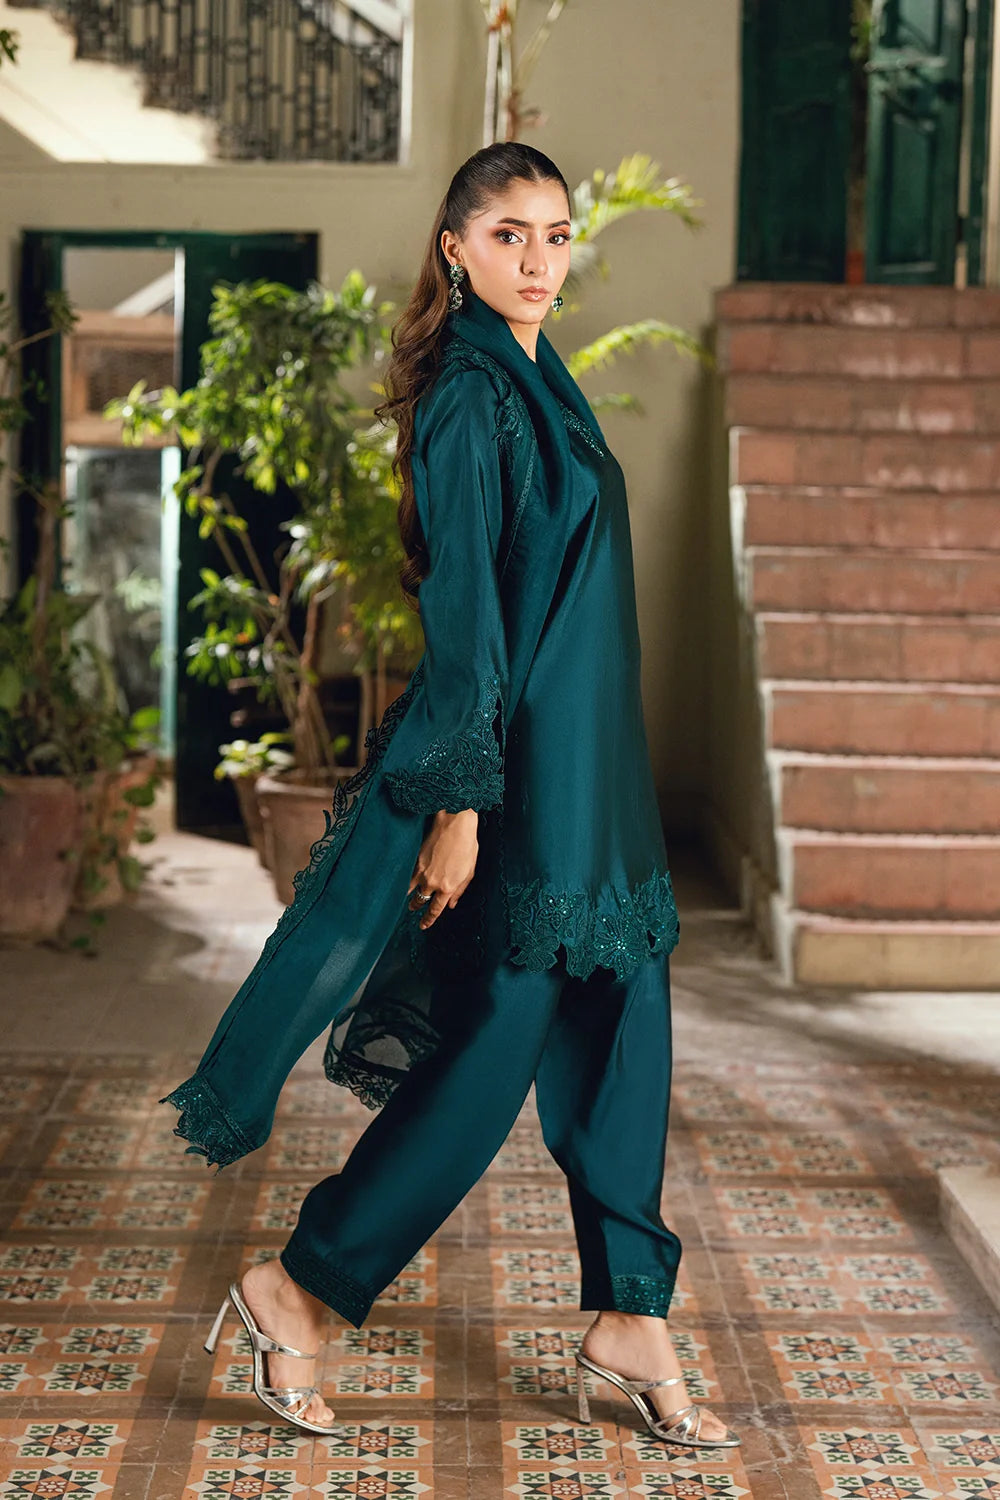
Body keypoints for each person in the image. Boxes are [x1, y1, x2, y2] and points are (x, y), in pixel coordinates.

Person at [163, 141, 739, 1452]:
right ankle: (301, 1287)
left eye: (557, 235)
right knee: (492, 1053)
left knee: (628, 1020)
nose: (538, 261)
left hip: (599, 778)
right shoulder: (472, 396)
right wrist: (463, 806)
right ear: (455, 248)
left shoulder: (545, 375)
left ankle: (631, 1310)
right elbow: (470, 619)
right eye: (509, 235)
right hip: (525, 781)